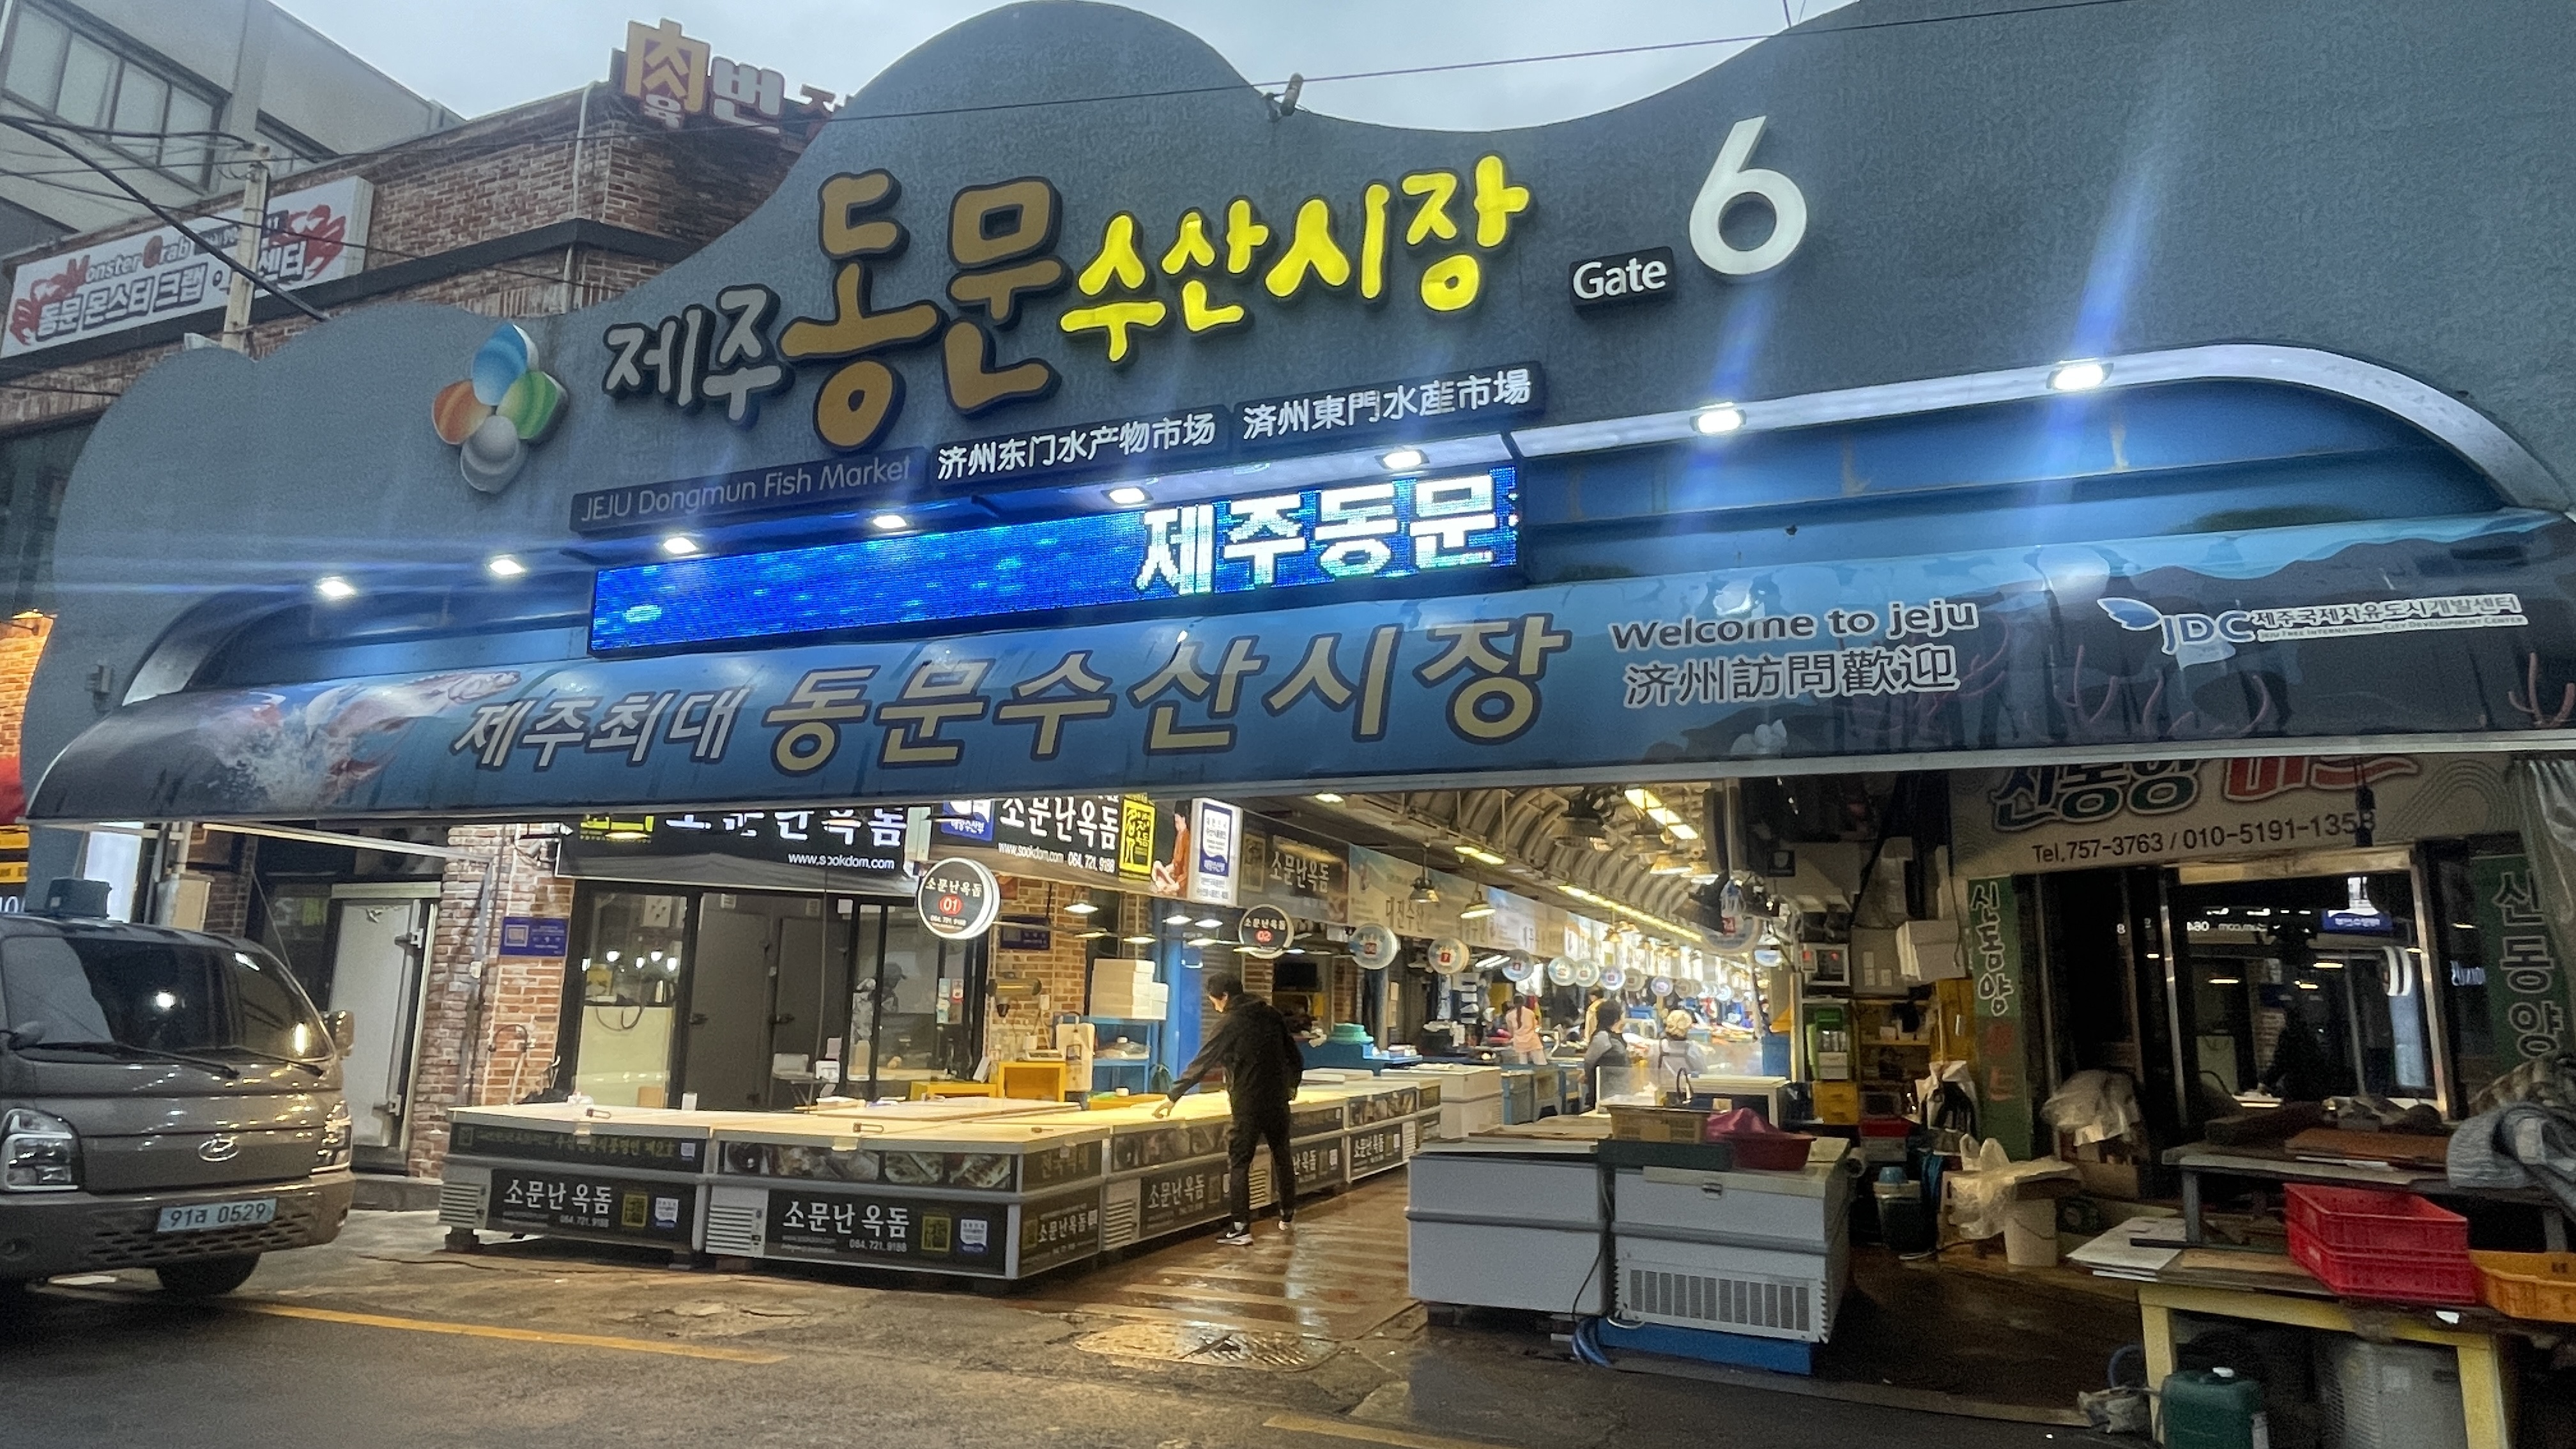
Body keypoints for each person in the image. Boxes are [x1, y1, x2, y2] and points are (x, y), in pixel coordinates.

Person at [1156, 971, 1303, 1245]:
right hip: (1278, 1100)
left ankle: (1240, 1228)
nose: (1214, 1006)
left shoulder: (1231, 1022)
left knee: (1239, 1162)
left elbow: (1204, 1060)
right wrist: (1291, 1086)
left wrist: (1173, 1095)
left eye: (1214, 1001)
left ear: (1224, 996)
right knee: (1282, 1154)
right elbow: (1295, 1056)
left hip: (1247, 1102)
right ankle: (1287, 1214)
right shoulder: (1271, 1015)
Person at [1641, 1009, 1708, 1105]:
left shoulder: (1656, 1047)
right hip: (1687, 1099)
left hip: (1661, 1098)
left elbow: (1652, 1074)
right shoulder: (1692, 1048)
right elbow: (1703, 1073)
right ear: (1688, 1028)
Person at [1501, 994, 1545, 1064]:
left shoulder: (1510, 1016)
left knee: (1525, 1067)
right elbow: (1535, 1027)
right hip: (1527, 1042)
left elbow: (1511, 1031)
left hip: (1525, 1042)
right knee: (1538, 1065)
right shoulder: (1529, 1013)